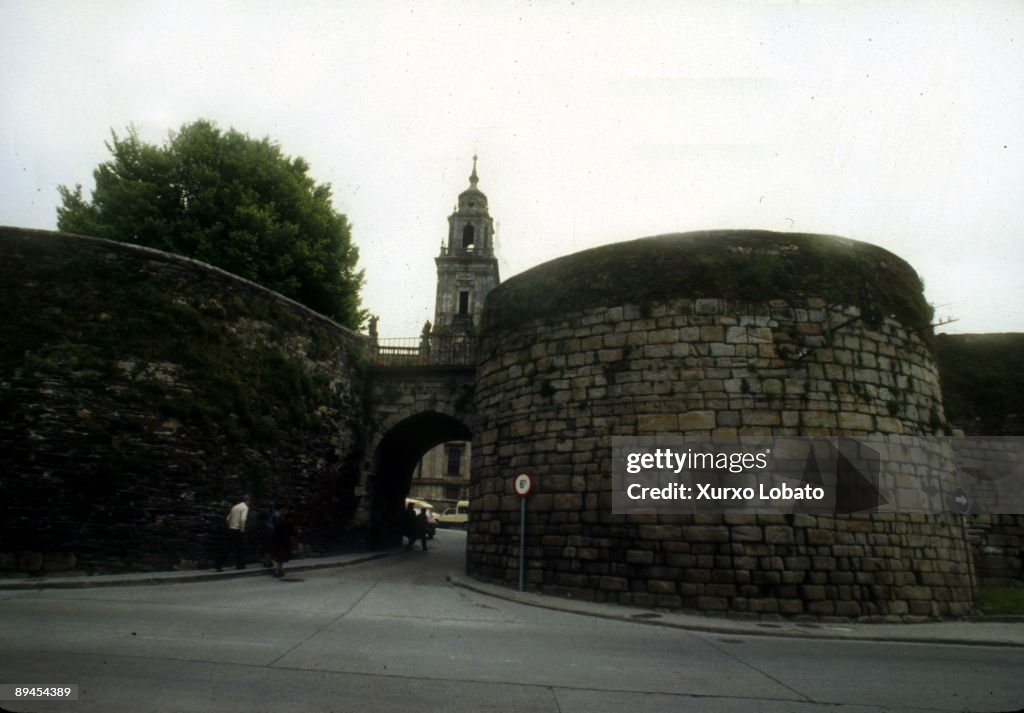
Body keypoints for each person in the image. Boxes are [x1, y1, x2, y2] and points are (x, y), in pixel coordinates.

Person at [216, 494, 251, 571]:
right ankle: (240, 565)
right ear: (247, 501)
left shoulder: (235, 507)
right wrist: (242, 529)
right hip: (238, 530)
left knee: (228, 548)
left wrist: (230, 526)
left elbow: (227, 519)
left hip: (231, 529)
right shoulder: (244, 507)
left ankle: (219, 564)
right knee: (240, 548)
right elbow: (243, 519)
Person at [271, 505, 297, 578]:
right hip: (284, 542)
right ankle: (277, 570)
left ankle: (280, 570)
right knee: (281, 556)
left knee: (280, 556)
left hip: (277, 540)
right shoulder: (288, 524)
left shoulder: (280, 522)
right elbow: (293, 532)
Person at [261, 503, 280, 567]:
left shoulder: (269, 513)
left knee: (267, 547)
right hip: (272, 531)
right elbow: (277, 524)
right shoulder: (276, 514)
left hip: (266, 530)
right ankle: (268, 560)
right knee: (270, 547)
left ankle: (266, 560)